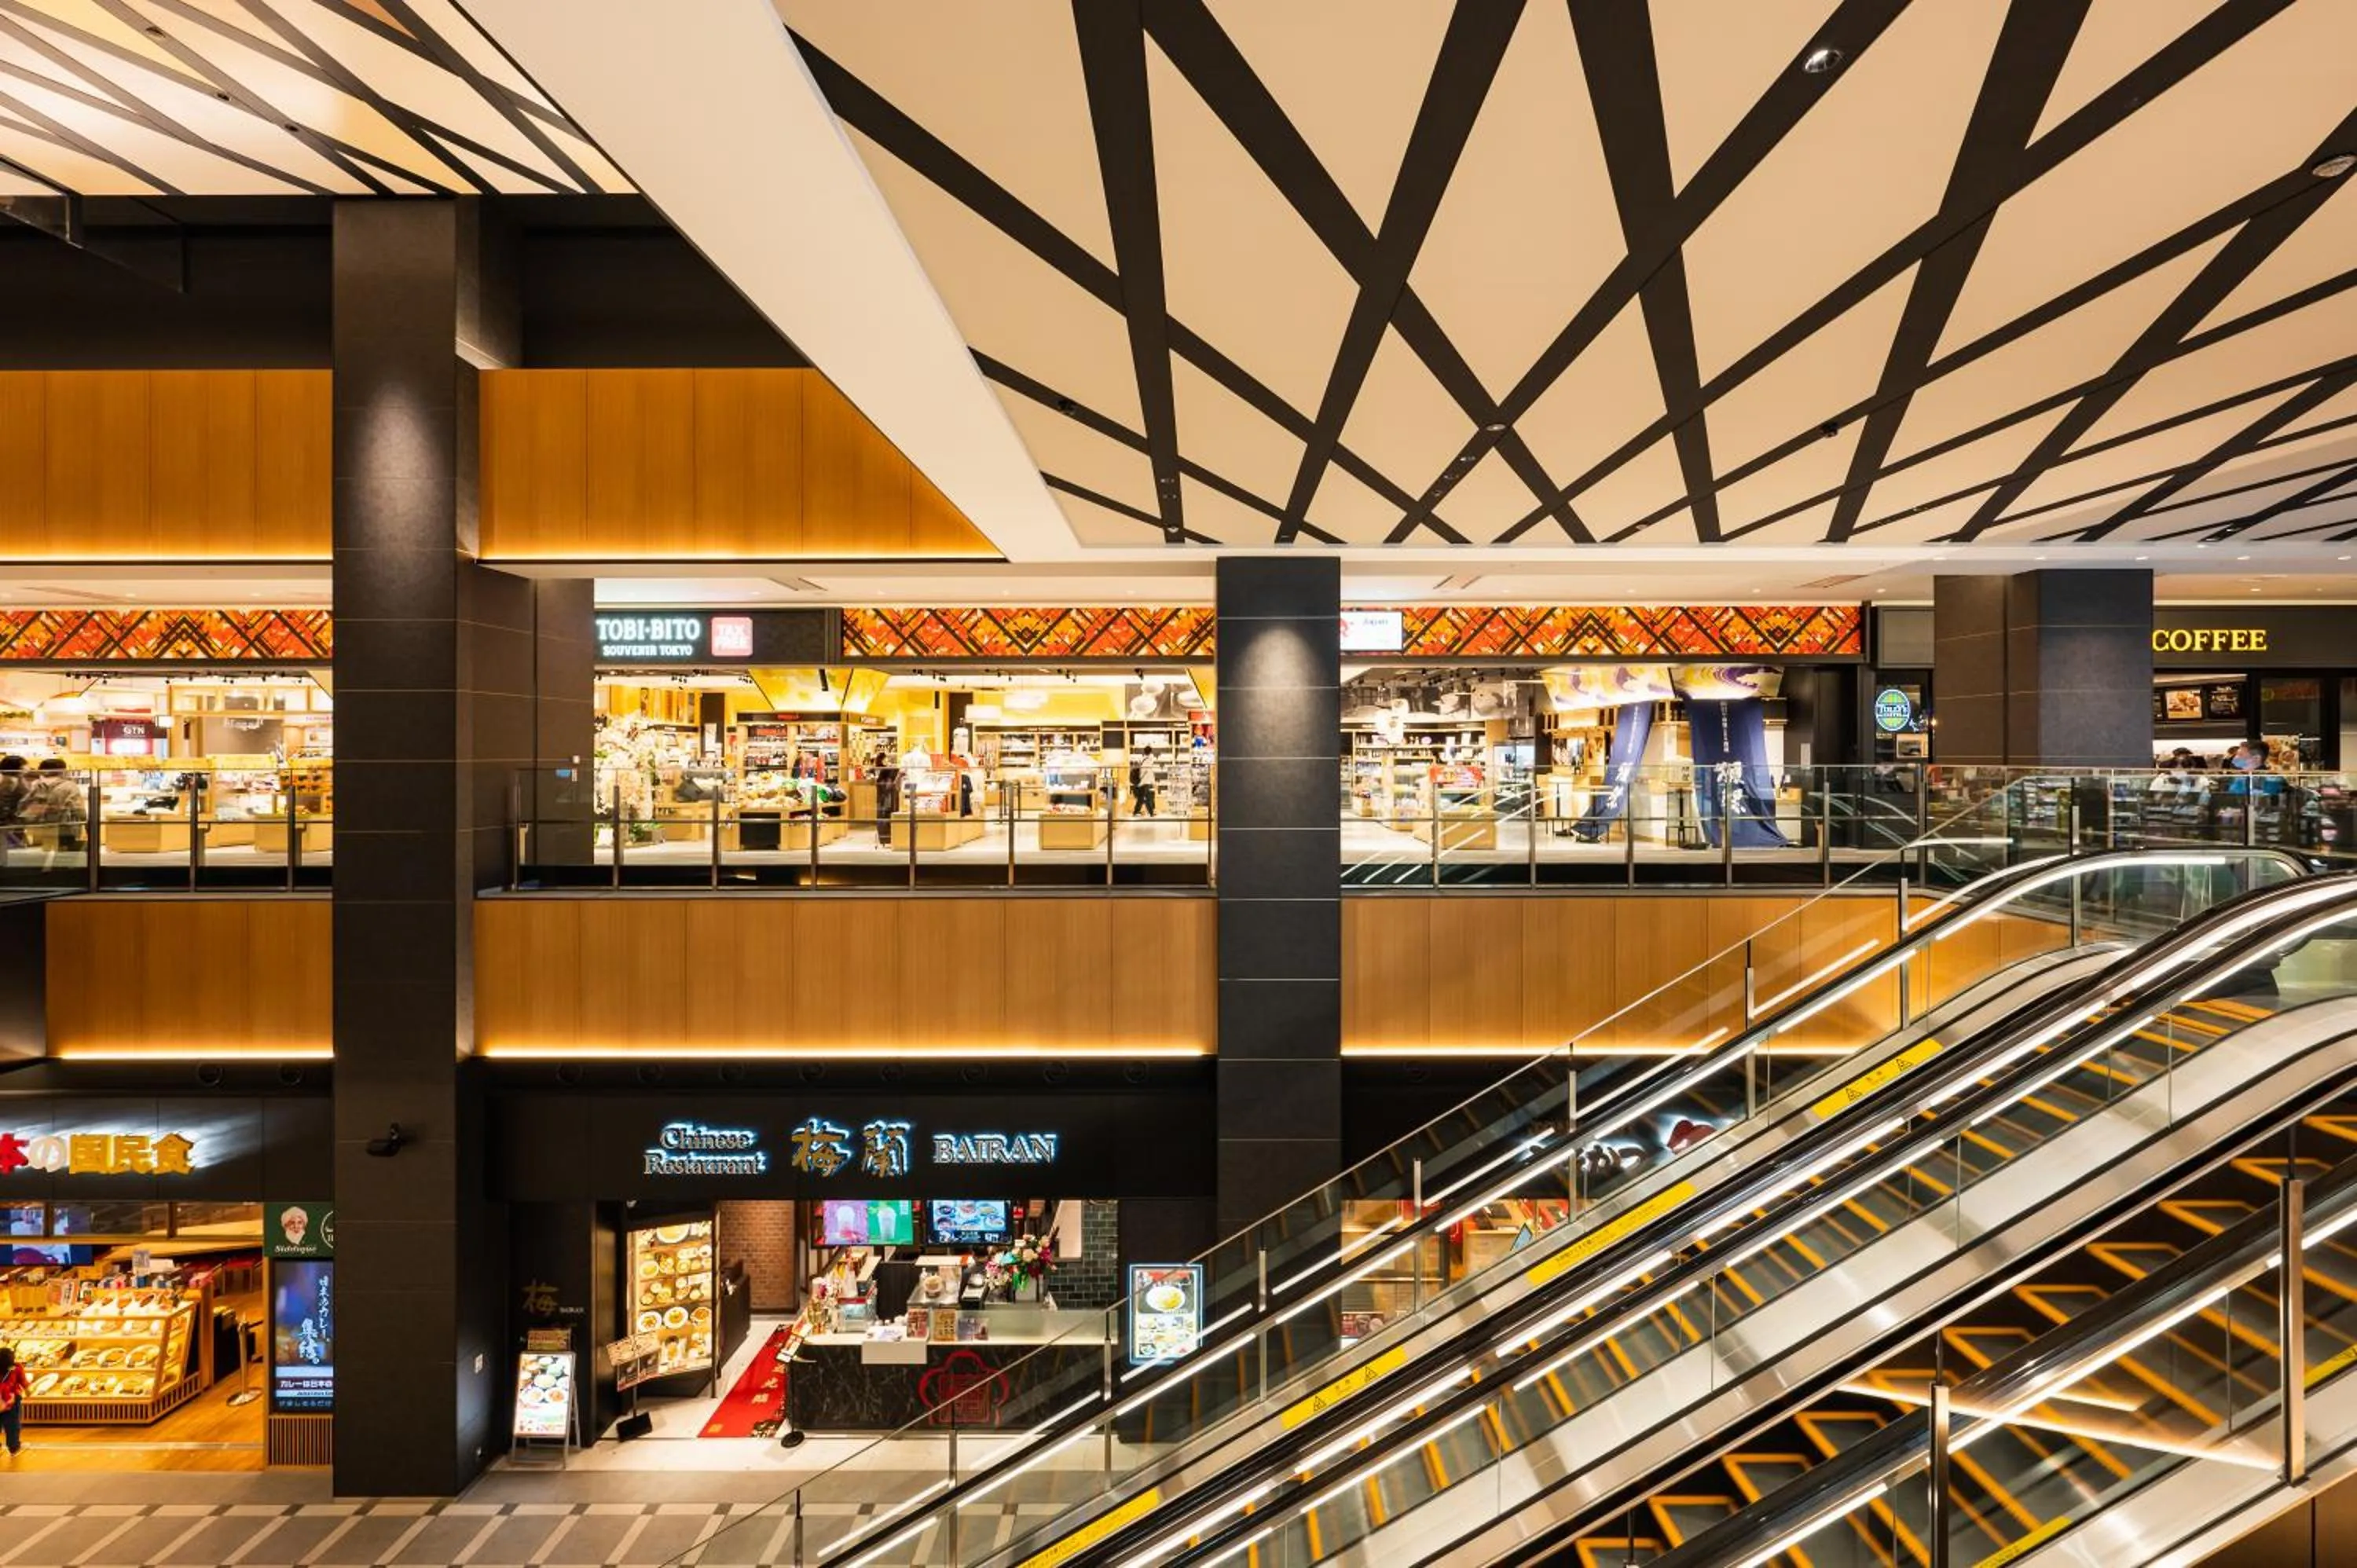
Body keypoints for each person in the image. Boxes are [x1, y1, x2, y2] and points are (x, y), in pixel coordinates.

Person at [0, 1344, 26, 1456]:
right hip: (11, 1400)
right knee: (12, 1425)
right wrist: (28, 1390)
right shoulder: (16, 1368)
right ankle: (13, 1447)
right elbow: (23, 1381)